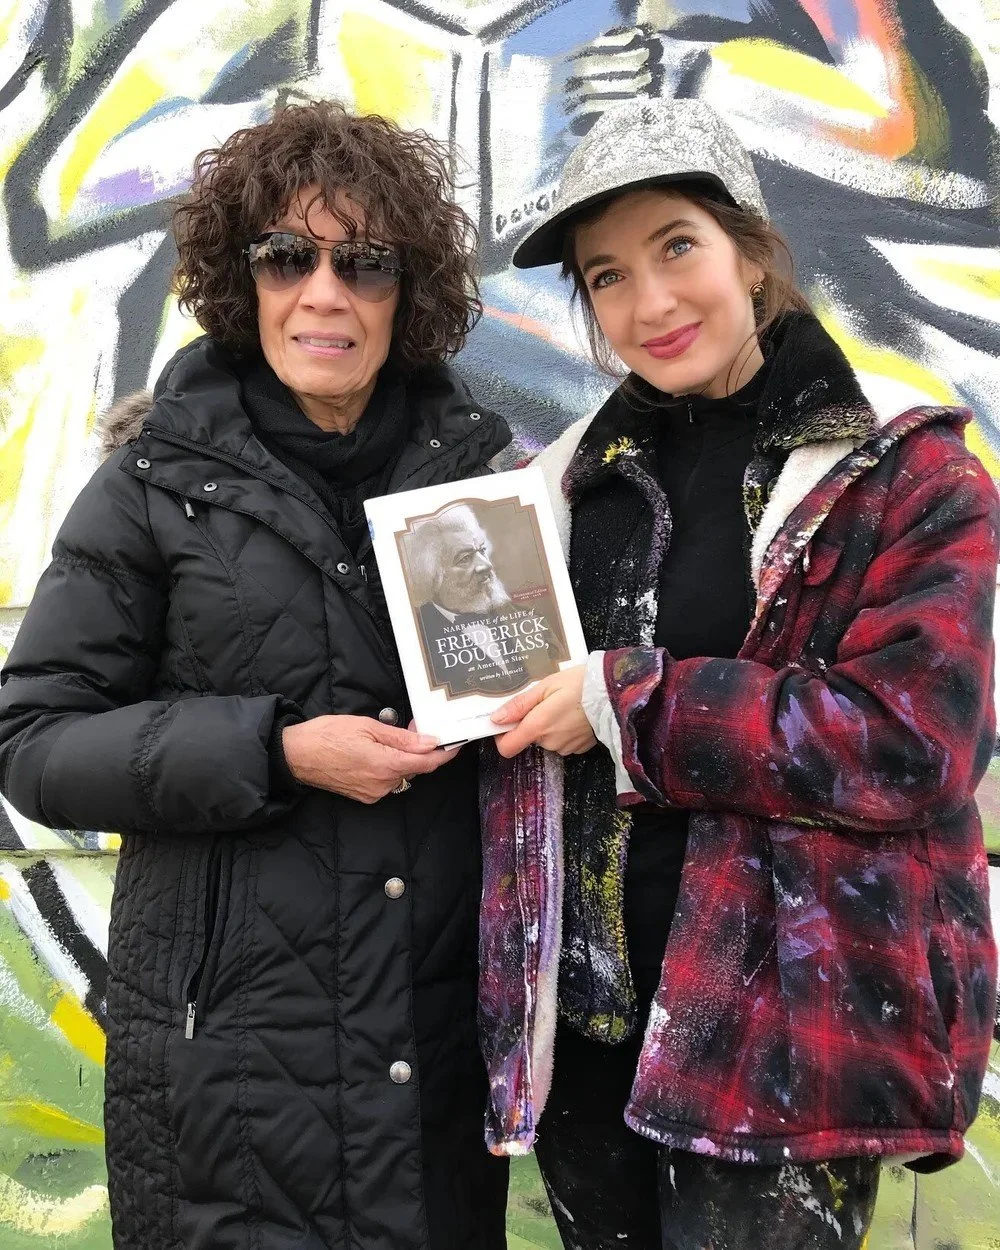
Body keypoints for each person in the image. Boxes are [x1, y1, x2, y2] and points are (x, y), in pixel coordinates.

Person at [477, 97, 999, 1250]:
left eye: (677, 246)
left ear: (750, 253)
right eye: (607, 275)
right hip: (589, 1033)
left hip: (782, 1044)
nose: (650, 301)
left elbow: (910, 742)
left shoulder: (902, 472)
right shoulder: (564, 488)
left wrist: (629, 700)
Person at [0, 101, 511, 1250]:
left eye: (363, 262)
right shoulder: (151, 486)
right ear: (246, 279)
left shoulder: (482, 490)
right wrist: (273, 750)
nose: (323, 292)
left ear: (406, 292)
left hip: (430, 1063)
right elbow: (32, 743)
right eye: (287, 255)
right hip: (227, 1074)